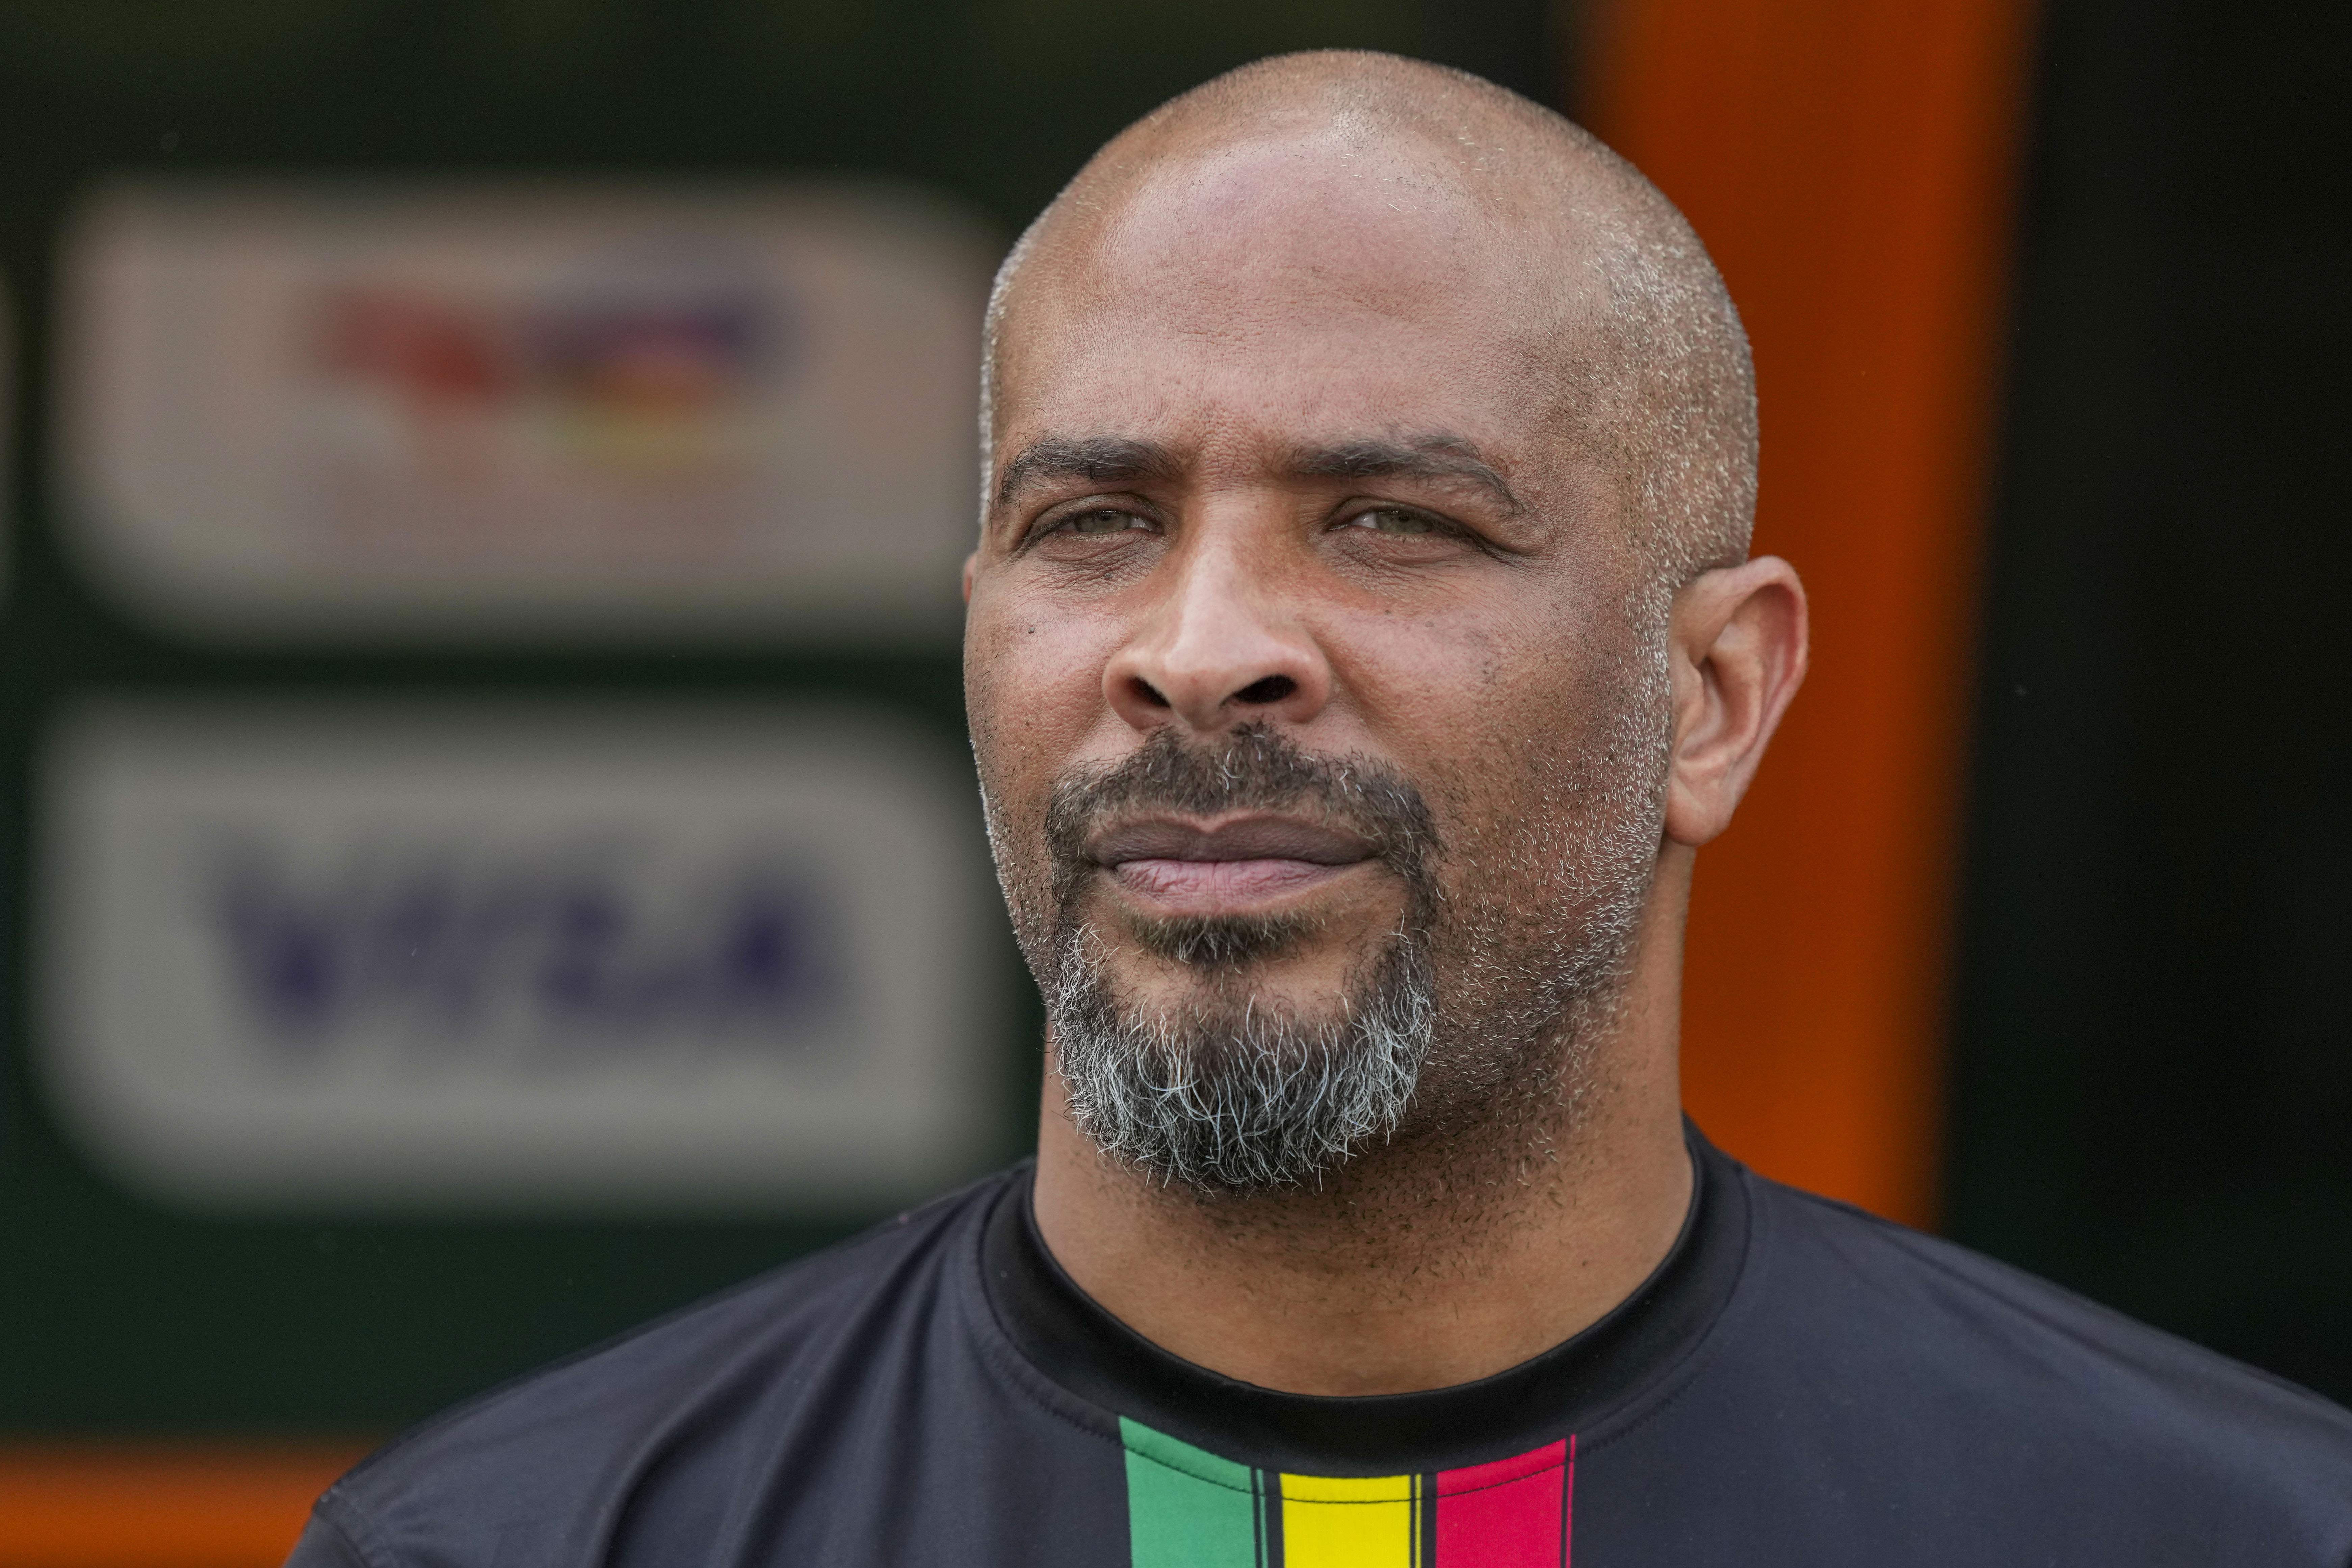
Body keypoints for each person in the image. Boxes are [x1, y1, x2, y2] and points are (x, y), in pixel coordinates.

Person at [286, 51, 2352, 1567]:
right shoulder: (522, 1544)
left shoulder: (2216, 1533)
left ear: (1711, 695)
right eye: (1093, 522)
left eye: (1389, 519)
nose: (1197, 650)